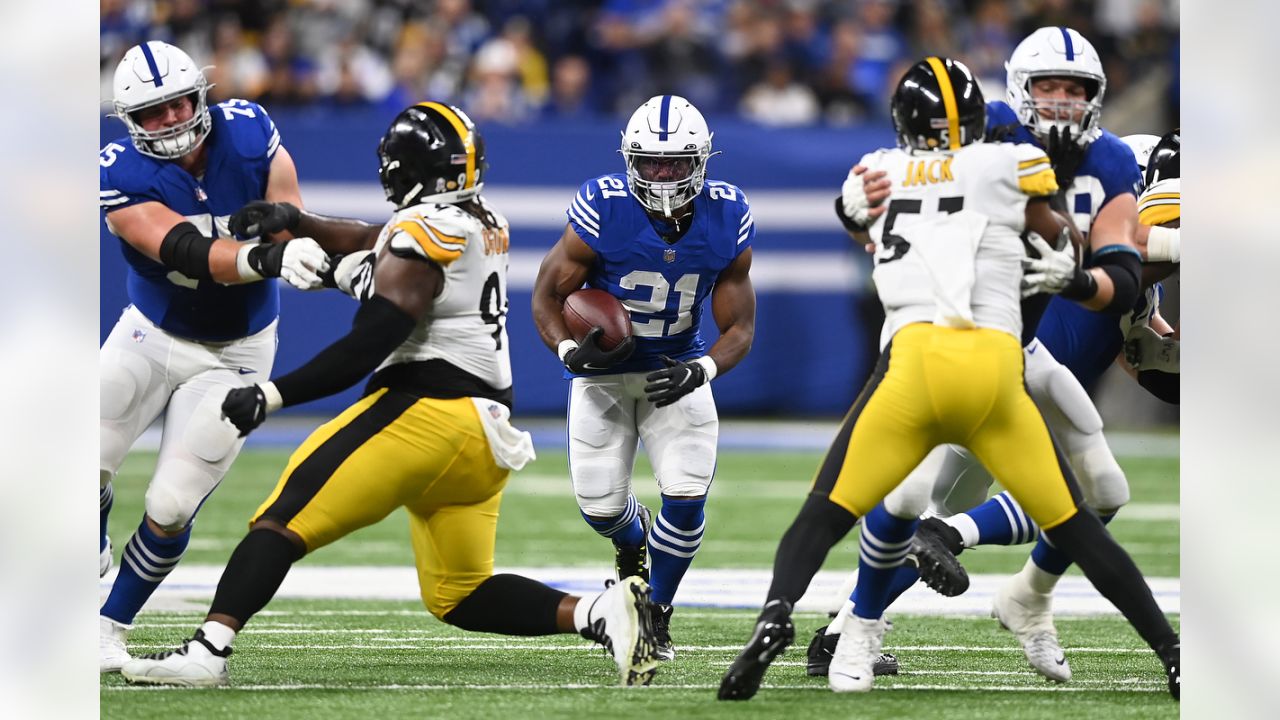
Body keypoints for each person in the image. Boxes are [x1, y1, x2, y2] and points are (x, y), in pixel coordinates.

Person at [119, 102, 664, 688]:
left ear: (408, 172)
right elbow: (377, 241)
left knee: (279, 520)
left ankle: (207, 652)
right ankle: (597, 613)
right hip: (485, 437)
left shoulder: (420, 235)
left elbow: (369, 339)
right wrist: (295, 220)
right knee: (459, 593)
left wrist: (271, 395)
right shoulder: (482, 220)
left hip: (426, 415)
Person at [717, 57, 1179, 701]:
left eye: (1075, 91)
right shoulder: (1009, 160)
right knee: (1055, 516)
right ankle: (857, 627)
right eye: (1050, 90)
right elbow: (1074, 244)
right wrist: (1110, 262)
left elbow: (859, 217)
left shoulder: (881, 166)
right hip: (993, 359)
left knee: (832, 510)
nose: (1062, 105)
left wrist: (850, 214)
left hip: (924, 357)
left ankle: (783, 615)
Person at [99, 40, 332, 673]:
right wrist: (266, 257)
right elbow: (181, 249)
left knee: (172, 505)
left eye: (178, 104)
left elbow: (289, 216)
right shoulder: (117, 171)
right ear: (130, 123)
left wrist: (294, 241)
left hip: (237, 350)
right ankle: (94, 554)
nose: (171, 120)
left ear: (200, 95)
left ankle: (107, 627)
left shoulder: (251, 131)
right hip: (150, 334)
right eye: (152, 114)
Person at [530, 95, 757, 661]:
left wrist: (699, 369)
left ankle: (654, 611)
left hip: (672, 372)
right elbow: (546, 295)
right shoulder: (603, 208)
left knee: (685, 494)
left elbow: (741, 327)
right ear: (628, 158)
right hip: (604, 379)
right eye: (650, 162)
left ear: (701, 160)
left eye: (675, 162)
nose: (661, 175)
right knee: (601, 510)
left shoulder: (727, 215)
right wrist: (566, 350)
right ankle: (632, 544)